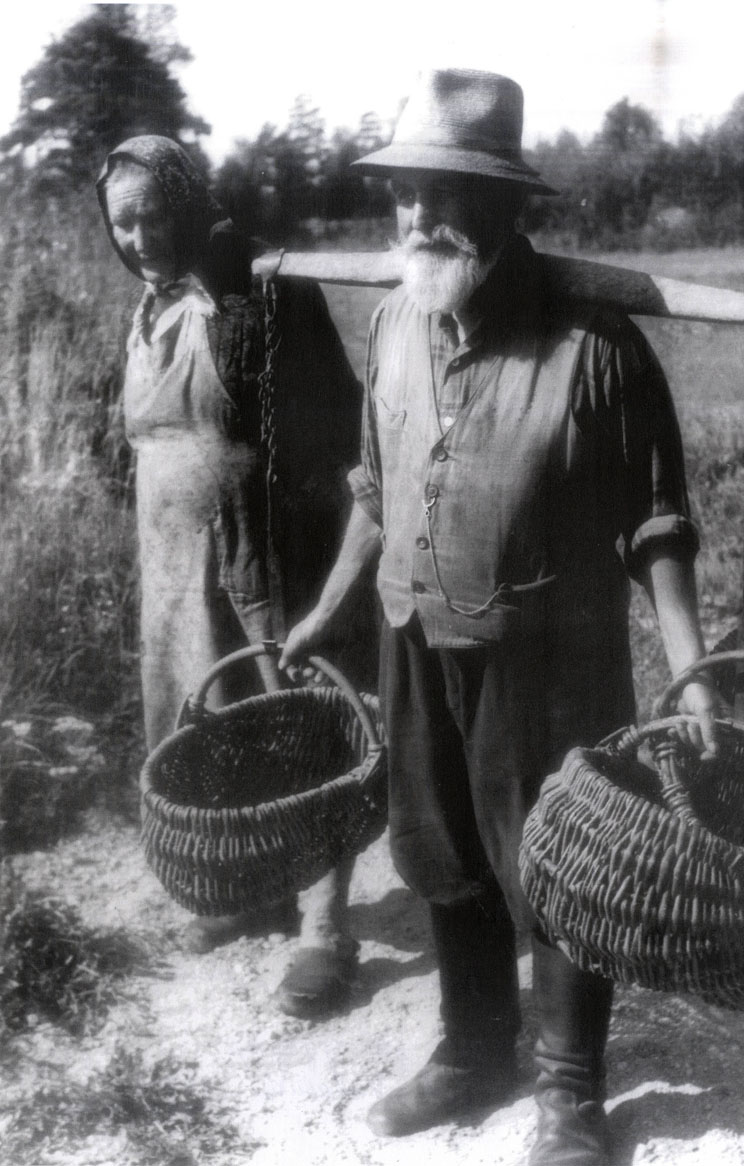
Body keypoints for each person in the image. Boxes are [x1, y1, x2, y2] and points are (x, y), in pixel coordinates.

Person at [280, 69, 720, 1165]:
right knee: (440, 847)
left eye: (446, 193)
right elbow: (376, 493)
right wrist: (327, 608)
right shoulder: (393, 320)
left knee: (561, 866)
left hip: (548, 660)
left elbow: (655, 525)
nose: (418, 217)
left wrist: (688, 669)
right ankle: (472, 1048)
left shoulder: (595, 350)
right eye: (404, 194)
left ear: (506, 205)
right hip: (412, 636)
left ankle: (569, 1090)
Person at [97, 134, 374, 1019]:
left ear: (189, 204)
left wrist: (311, 556)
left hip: (256, 547)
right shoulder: (146, 312)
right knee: (196, 715)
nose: (141, 238)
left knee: (291, 720)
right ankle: (241, 891)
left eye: (155, 216)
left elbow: (335, 433)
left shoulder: (261, 293)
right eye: (123, 223)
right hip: (172, 565)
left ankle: (325, 927)